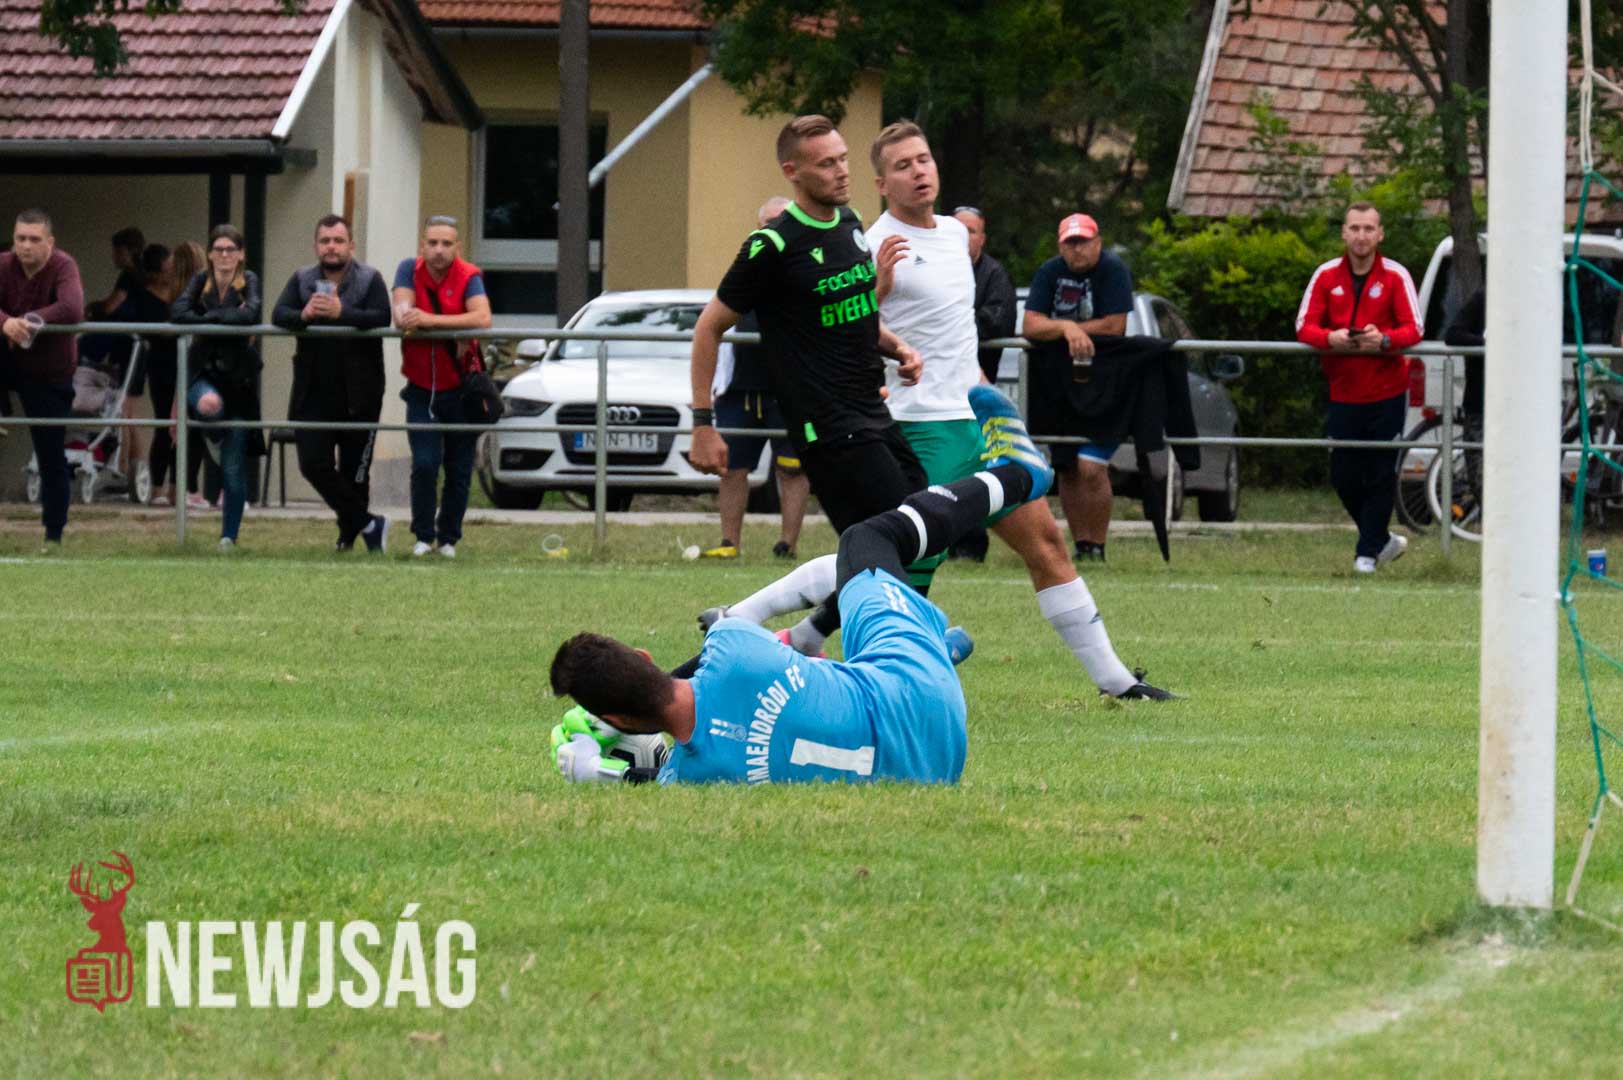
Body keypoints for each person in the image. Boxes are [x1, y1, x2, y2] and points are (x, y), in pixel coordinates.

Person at [704, 123, 1169, 700]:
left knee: (1046, 544)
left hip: (971, 423)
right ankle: (761, 625)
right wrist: (881, 310)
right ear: (882, 183)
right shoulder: (872, 239)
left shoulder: (953, 234)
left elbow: (955, 329)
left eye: (923, 159)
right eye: (902, 166)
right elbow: (841, 323)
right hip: (919, 428)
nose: (919, 172)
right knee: (893, 563)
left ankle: (1118, 683)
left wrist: (976, 383)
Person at [549, 386, 1058, 785]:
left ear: (618, 717)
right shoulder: (730, 649)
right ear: (643, 656)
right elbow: (710, 663)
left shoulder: (691, 778)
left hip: (936, 763)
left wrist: (600, 766)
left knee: (825, 683)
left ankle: (929, 647)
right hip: (920, 696)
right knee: (867, 539)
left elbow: (661, 774)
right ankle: (1020, 474)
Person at [689, 114, 929, 619]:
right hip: (828, 425)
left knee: (914, 532)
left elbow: (853, 313)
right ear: (792, 171)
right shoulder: (772, 246)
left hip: (871, 410)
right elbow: (708, 328)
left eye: (843, 159)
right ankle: (904, 646)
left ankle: (763, 626)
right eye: (826, 164)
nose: (842, 171)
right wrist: (703, 425)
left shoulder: (850, 224)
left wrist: (897, 348)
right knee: (893, 539)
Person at [1295, 202, 1422, 574]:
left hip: (1388, 391)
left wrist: (1383, 340)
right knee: (1343, 475)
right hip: (1344, 390)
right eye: (1355, 228)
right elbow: (1304, 326)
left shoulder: (1396, 275)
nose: (1361, 236)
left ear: (1380, 234)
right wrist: (1330, 338)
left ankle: (1365, 555)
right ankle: (1382, 540)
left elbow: (1414, 328)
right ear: (1344, 233)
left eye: (1368, 228)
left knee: (1382, 472)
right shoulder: (1326, 275)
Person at [700, 194, 812, 560]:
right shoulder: (746, 267)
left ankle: (787, 544)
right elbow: (713, 325)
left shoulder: (807, 267)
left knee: (792, 469)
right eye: (768, 224)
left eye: (783, 223)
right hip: (740, 391)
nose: (775, 230)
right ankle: (729, 543)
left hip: (789, 391)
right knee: (732, 468)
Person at [273, 214, 393, 553]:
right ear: (316, 246)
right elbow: (278, 315)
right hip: (312, 392)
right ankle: (369, 523)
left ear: (351, 246)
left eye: (338, 241)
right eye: (325, 241)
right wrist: (304, 315)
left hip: (361, 392)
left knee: (356, 473)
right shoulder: (302, 279)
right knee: (313, 464)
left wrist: (343, 313)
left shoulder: (370, 279)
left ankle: (349, 537)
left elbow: (382, 317)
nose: (331, 247)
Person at [1022, 213, 1134, 563]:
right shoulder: (1049, 272)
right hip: (1060, 385)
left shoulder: (1113, 270)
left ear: (1098, 242)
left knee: (1091, 466)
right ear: (1060, 246)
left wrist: (1064, 327)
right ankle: (1082, 546)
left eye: (1083, 241)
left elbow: (1115, 325)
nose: (1077, 249)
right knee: (1067, 465)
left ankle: (1097, 545)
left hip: (1105, 383)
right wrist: (1066, 329)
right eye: (1070, 243)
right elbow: (1031, 325)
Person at [392, 214, 492, 558]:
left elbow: (482, 318)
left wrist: (431, 321)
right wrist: (455, 326)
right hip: (421, 387)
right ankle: (423, 536)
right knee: (424, 464)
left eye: (446, 244)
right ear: (423, 245)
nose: (438, 250)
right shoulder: (408, 269)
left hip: (461, 388)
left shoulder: (469, 275)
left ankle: (448, 539)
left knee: (459, 469)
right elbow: (403, 318)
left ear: (457, 247)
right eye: (432, 243)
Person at [171, 223, 264, 551]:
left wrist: (207, 318)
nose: (224, 255)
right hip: (202, 372)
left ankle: (229, 537)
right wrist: (221, 318)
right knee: (208, 404)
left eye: (230, 249)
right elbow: (178, 312)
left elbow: (252, 314)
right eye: (219, 249)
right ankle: (213, 435)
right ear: (210, 254)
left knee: (234, 469)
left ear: (240, 254)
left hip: (238, 380)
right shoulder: (200, 280)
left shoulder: (248, 280)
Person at [0, 209, 85, 549]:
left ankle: (53, 536)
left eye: (34, 239)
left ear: (50, 242)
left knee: (50, 456)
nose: (26, 246)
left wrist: (27, 321)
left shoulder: (64, 266)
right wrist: (5, 322)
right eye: (20, 238)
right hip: (8, 361)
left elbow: (72, 308)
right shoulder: (3, 264)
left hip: (49, 372)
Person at [946, 205, 1018, 563]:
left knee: (972, 465)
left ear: (982, 238)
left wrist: (951, 322)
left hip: (973, 389)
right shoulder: (937, 268)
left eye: (971, 231)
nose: (964, 238)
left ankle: (971, 545)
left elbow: (997, 321)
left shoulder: (993, 275)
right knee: (940, 467)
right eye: (958, 230)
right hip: (932, 389)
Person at [87, 226, 145, 318]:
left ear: (133, 251)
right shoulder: (149, 272)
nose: (114, 256)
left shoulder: (128, 276)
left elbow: (110, 307)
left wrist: (91, 307)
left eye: (119, 252)